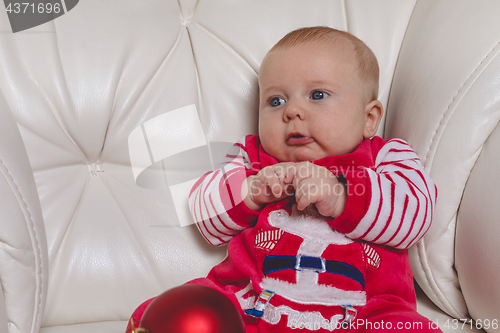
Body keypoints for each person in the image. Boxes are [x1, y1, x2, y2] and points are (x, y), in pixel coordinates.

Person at [127, 26, 440, 332]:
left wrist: (340, 196)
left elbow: (416, 213)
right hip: (250, 302)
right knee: (178, 310)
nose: (292, 111)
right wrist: (251, 191)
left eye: (318, 95)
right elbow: (206, 216)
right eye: (275, 101)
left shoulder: (384, 156)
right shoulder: (252, 157)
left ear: (369, 119)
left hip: (365, 313)